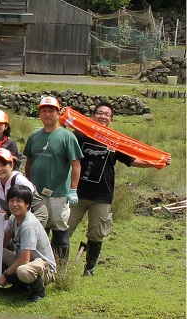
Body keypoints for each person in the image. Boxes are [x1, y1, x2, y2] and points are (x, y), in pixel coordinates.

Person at [67, 102, 171, 276]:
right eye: (99, 113)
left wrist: (156, 163)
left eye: (107, 114)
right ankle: (56, 263)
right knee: (65, 229)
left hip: (102, 195)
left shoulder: (115, 141)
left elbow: (133, 160)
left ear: (111, 120)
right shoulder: (80, 135)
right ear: (92, 116)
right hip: (77, 193)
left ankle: (89, 268)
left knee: (96, 233)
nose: (103, 116)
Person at [23, 96, 83, 267]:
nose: (47, 114)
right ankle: (40, 266)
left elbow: (76, 164)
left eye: (51, 111)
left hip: (58, 194)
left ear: (58, 113)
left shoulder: (67, 137)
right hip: (37, 194)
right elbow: (29, 161)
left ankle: (60, 268)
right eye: (44, 111)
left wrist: (73, 189)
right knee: (39, 231)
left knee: (60, 232)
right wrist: (28, 183)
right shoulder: (35, 136)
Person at [0, 185, 57, 302]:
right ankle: (19, 286)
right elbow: (3, 244)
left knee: (22, 270)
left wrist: (5, 274)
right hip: (26, 261)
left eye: (19, 201)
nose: (14, 204)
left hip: (44, 268)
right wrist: (1, 221)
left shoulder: (28, 225)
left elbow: (24, 259)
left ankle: (39, 291)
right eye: (11, 200)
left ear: (28, 204)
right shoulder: (13, 218)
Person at [0, 148, 48, 227]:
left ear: (11, 166)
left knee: (26, 234)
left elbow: (27, 209)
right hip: (15, 213)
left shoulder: (20, 181)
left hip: (34, 212)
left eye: (3, 165)